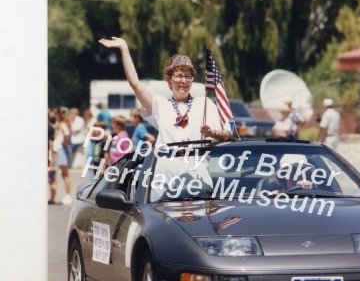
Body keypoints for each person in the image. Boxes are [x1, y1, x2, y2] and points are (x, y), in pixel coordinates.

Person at [98, 37, 232, 144]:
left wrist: (212, 133)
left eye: (188, 76)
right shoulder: (160, 105)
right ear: (169, 80)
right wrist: (124, 48)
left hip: (196, 174)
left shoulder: (205, 103)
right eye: (179, 76)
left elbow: (227, 134)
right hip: (164, 176)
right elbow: (135, 84)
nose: (183, 81)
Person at [54, 109, 72, 205]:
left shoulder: (63, 124)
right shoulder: (63, 124)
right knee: (64, 173)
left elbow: (66, 134)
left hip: (61, 149)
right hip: (61, 149)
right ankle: (67, 195)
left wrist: (62, 143)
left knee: (65, 173)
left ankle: (68, 195)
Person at [48, 110, 57, 204]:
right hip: (51, 159)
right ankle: (52, 197)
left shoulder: (52, 142)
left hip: (50, 160)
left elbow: (53, 152)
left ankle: (53, 198)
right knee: (51, 180)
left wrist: (51, 163)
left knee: (51, 179)